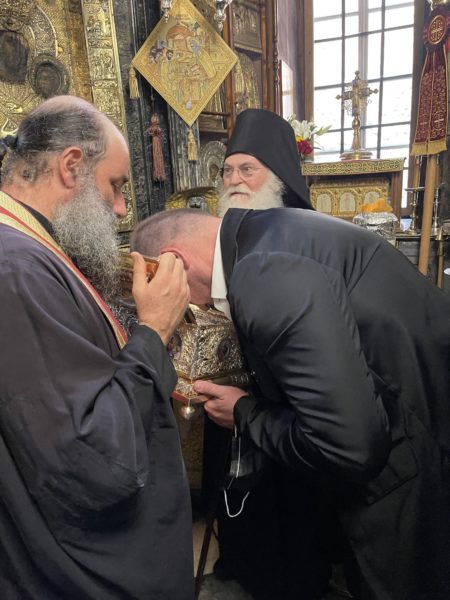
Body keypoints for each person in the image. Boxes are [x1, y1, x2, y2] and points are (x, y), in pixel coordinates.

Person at [131, 207, 450, 600]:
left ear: (173, 263)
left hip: (415, 465)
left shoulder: (260, 275)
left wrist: (244, 414)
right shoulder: (266, 232)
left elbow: (351, 448)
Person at [0, 96, 194, 600]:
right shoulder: (17, 270)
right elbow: (90, 456)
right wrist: (154, 331)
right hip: (75, 568)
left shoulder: (30, 246)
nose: (122, 208)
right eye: (116, 185)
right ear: (71, 166)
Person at [217, 108, 312, 216]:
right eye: (228, 170)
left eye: (247, 169)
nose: (234, 180)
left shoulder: (297, 226)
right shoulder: (216, 226)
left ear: (276, 181)